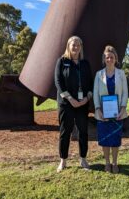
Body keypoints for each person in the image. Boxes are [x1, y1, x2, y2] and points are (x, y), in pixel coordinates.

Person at [54, 36, 93, 172]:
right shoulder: (62, 61)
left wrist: (87, 98)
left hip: (82, 103)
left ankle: (83, 158)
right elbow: (58, 82)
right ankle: (63, 160)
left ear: (81, 47)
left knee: (83, 132)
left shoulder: (85, 64)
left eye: (78, 45)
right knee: (65, 132)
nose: (76, 47)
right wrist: (70, 99)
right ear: (68, 46)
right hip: (66, 103)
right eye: (73, 45)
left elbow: (90, 83)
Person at [93, 45, 128, 174]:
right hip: (103, 113)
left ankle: (115, 163)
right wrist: (98, 109)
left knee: (115, 139)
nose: (109, 59)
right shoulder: (99, 74)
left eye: (111, 57)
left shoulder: (121, 74)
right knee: (105, 140)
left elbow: (125, 92)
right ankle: (107, 163)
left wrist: (123, 108)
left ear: (115, 59)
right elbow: (95, 93)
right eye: (107, 57)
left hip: (118, 112)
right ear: (104, 59)